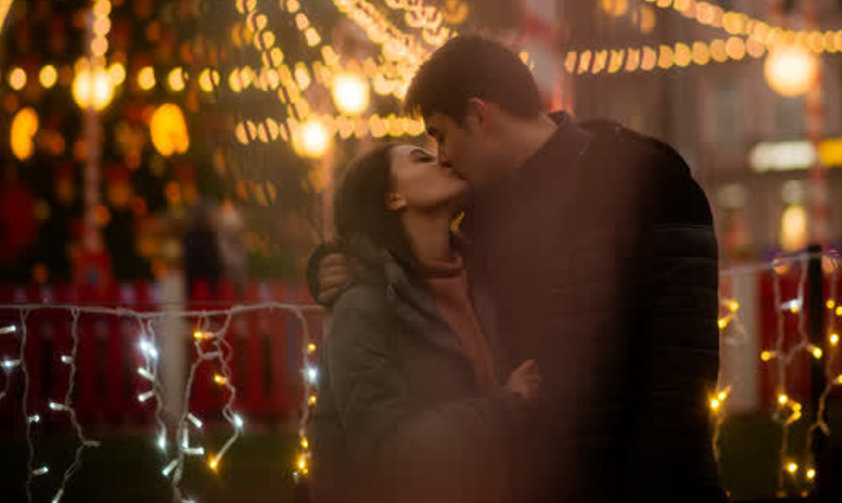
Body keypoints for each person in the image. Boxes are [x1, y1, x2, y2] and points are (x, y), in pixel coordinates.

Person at [309, 35, 727, 503]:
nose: (443, 157)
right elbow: (410, 266)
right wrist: (341, 263)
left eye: (441, 136)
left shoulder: (645, 177)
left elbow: (680, 382)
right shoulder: (480, 221)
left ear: (479, 115)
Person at [307, 143, 543, 503]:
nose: (444, 159)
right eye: (423, 158)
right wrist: (507, 405)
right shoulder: (365, 307)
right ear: (393, 198)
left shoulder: (483, 282)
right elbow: (390, 450)